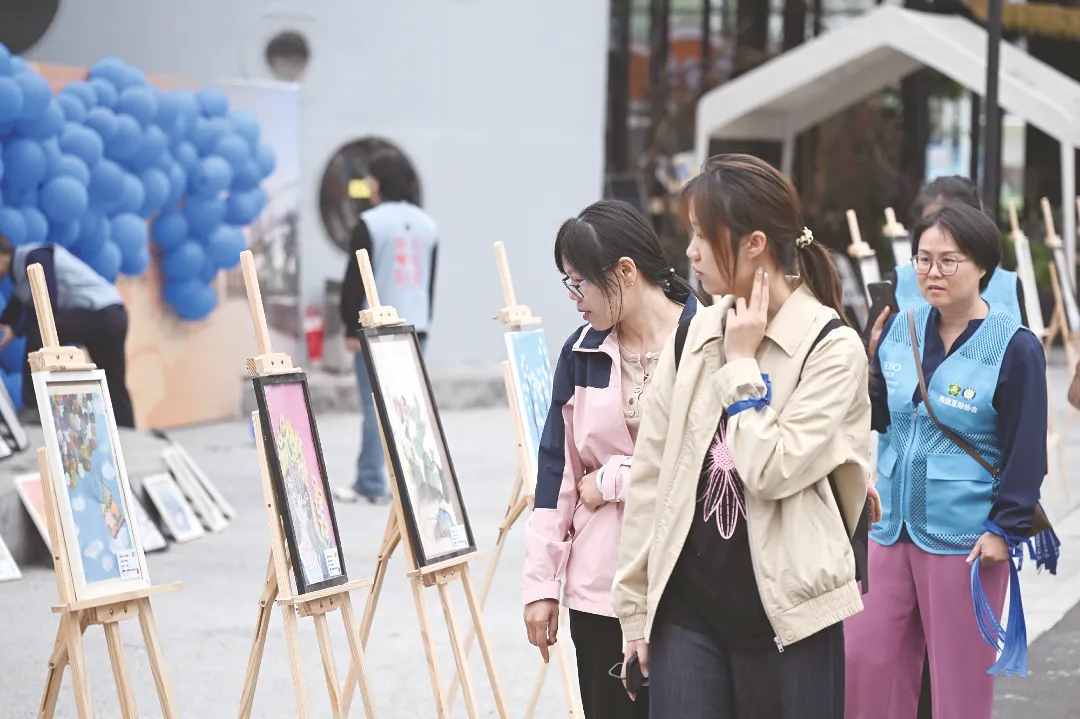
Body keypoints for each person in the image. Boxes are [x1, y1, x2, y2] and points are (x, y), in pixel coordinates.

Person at [611, 153, 871, 718]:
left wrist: (742, 366)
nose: (690, 252)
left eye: (703, 236)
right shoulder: (695, 332)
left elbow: (770, 470)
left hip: (789, 613)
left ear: (755, 243)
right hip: (687, 611)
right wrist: (635, 612)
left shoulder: (830, 347)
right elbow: (651, 474)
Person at [846, 203, 1050, 719]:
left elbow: (1027, 448)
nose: (932, 272)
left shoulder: (1015, 346)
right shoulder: (899, 329)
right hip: (888, 527)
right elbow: (879, 415)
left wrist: (1005, 529)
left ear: (982, 266)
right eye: (923, 259)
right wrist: (867, 366)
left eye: (948, 260)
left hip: (966, 539)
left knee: (959, 687)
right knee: (865, 660)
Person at [521, 199, 704, 718]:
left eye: (579, 282)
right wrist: (541, 584)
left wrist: (614, 479)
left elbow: (715, 462)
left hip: (690, 579)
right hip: (600, 590)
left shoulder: (705, 341)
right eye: (568, 282)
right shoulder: (580, 352)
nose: (573, 297)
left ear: (625, 271)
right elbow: (557, 475)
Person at [334, 150, 437, 505]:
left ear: (377, 184)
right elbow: (429, 282)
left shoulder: (370, 222)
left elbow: (354, 280)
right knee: (409, 407)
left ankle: (370, 482)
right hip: (416, 327)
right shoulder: (428, 225)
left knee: (374, 406)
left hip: (375, 326)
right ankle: (414, 482)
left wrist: (350, 325)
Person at [0, 234, 135, 428]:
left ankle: (33, 407)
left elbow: (47, 303)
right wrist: (8, 325)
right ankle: (128, 427)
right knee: (113, 380)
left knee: (40, 330)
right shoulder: (19, 274)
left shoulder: (36, 256)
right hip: (113, 314)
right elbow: (15, 307)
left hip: (102, 314)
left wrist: (15, 329)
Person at [886, 176, 1027, 327]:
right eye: (930, 221)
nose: (934, 273)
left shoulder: (1008, 286)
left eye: (948, 260)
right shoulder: (899, 281)